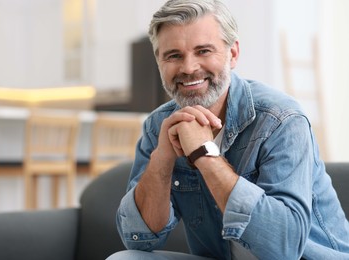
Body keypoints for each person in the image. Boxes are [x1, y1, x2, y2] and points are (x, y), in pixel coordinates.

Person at [108, 0, 349, 259]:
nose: (188, 68)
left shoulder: (281, 119)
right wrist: (162, 159)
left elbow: (284, 247)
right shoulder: (158, 126)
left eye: (203, 51)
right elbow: (137, 238)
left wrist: (204, 153)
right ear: (159, 61)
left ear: (232, 54)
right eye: (174, 55)